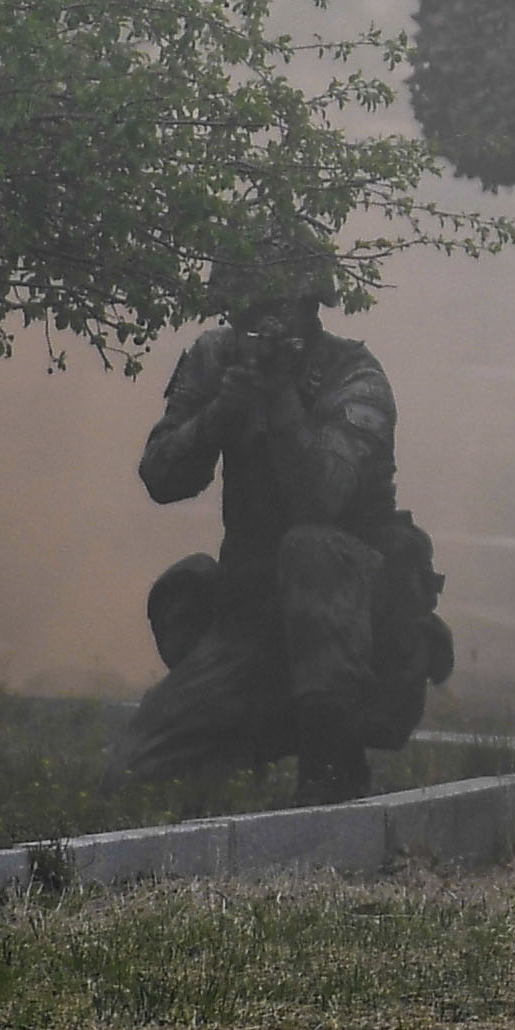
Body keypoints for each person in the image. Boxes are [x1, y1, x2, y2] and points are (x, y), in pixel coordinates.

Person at [118, 228, 451, 803]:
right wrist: (222, 411)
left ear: (308, 308)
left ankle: (331, 763)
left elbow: (323, 498)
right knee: (134, 774)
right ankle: (246, 750)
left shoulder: (355, 377)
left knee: (310, 547)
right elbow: (161, 478)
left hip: (356, 629)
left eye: (274, 312)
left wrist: (281, 403)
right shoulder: (217, 360)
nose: (260, 330)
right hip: (257, 620)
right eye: (247, 313)